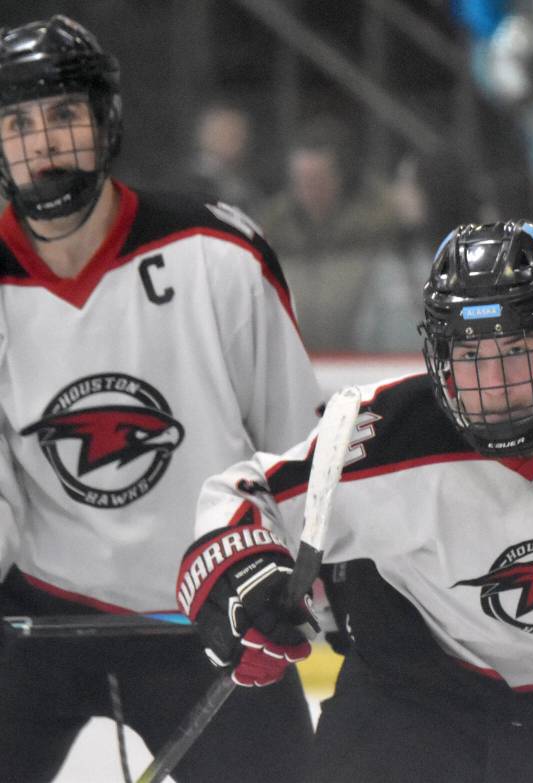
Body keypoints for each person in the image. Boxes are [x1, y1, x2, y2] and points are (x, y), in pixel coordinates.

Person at [177, 219, 533, 783]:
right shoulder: (383, 439)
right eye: (469, 355)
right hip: (410, 712)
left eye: (516, 348)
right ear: (439, 357)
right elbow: (242, 491)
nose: (495, 383)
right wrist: (241, 571)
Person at [0, 15, 322, 782]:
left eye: (63, 115)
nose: (41, 143)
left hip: (210, 608)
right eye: (16, 123)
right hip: (35, 616)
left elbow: (298, 448)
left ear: (105, 122)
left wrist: (287, 580)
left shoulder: (221, 256)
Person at [256, 115, 426, 352]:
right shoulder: (272, 227)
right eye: (300, 180)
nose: (307, 191)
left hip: (364, 360)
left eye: (316, 180)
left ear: (341, 178)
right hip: (296, 358)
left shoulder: (381, 223)